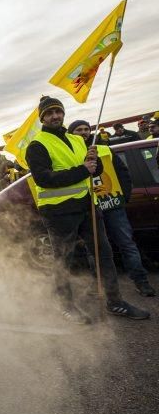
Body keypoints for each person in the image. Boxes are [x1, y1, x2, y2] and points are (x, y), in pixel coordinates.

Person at [24, 96, 149, 323]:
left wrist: (94, 162)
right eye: (49, 113)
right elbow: (43, 179)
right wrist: (83, 169)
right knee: (64, 260)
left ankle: (115, 302)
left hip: (86, 206)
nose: (55, 116)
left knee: (104, 254)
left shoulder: (77, 139)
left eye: (58, 112)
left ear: (63, 114)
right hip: (58, 212)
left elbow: (94, 170)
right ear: (42, 117)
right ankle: (66, 306)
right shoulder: (37, 144)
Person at [67, 120, 156, 297]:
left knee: (127, 245)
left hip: (114, 207)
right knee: (94, 250)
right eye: (79, 130)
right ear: (71, 133)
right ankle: (100, 286)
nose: (83, 132)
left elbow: (123, 174)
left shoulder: (104, 149)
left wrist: (124, 198)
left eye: (86, 129)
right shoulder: (70, 154)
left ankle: (141, 282)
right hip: (89, 208)